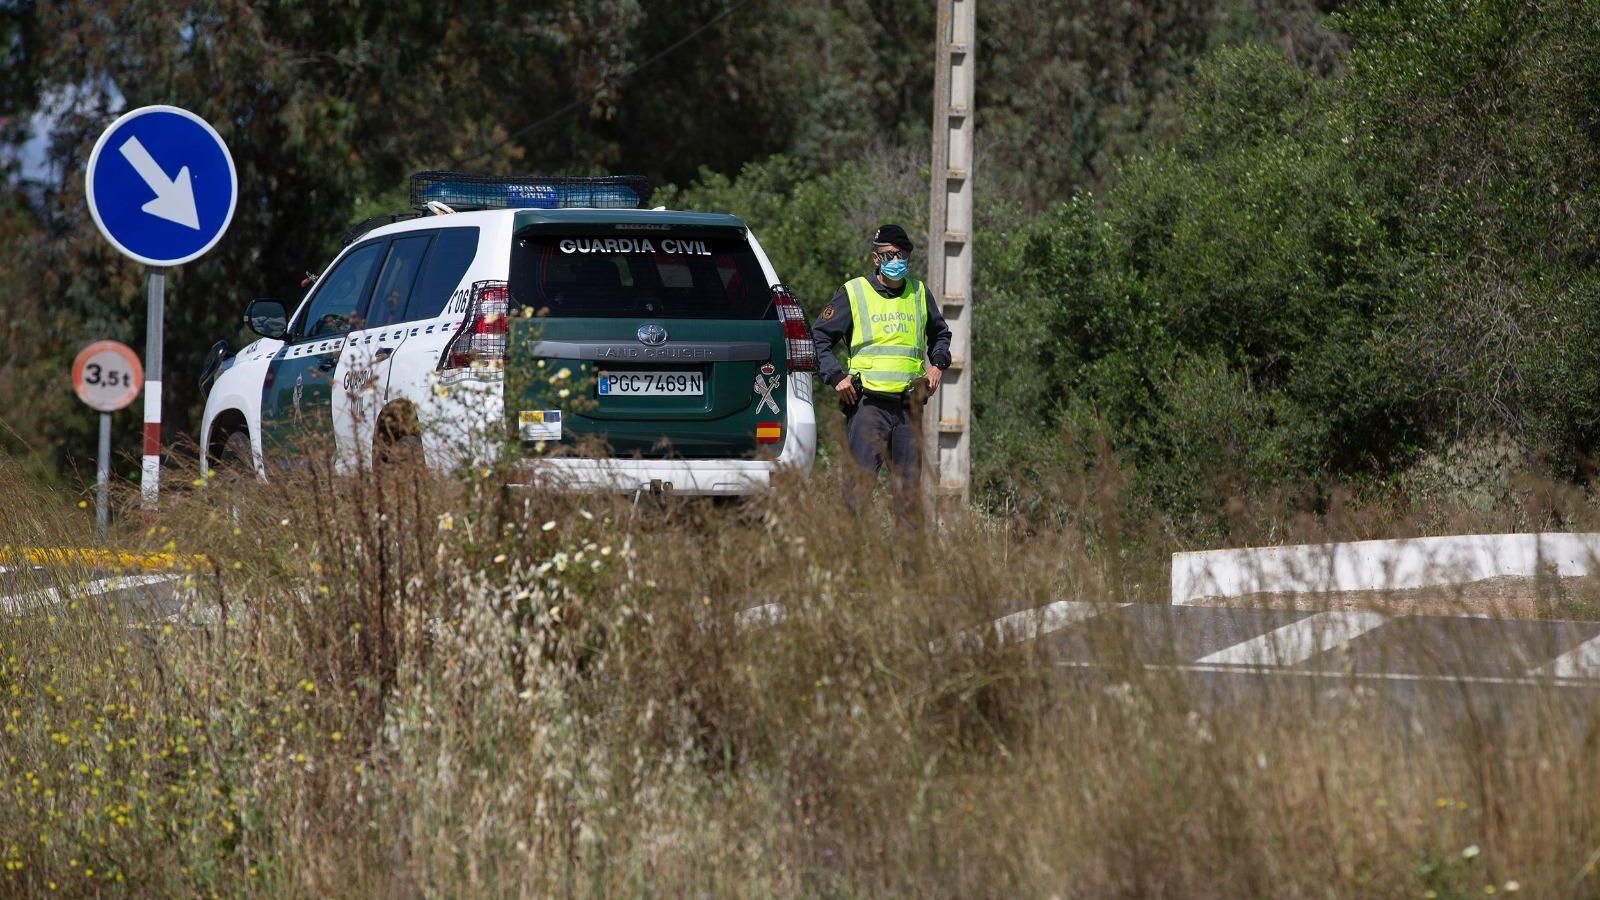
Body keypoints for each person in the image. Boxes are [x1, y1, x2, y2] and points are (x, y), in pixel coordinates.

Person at [812, 224, 952, 520]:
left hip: (908, 409)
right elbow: (818, 338)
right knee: (857, 496)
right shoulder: (854, 292)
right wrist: (835, 377)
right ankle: (852, 563)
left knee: (909, 499)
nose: (897, 260)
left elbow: (941, 334)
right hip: (868, 408)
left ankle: (908, 567)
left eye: (902, 254)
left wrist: (938, 364)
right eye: (890, 254)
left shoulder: (918, 293)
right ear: (876, 259)